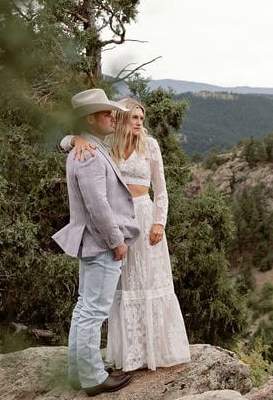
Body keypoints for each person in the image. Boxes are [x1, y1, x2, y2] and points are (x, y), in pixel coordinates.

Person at [60, 97, 191, 372]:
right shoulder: (107, 145)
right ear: (122, 119)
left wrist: (160, 222)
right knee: (125, 285)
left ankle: (156, 350)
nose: (139, 123)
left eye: (142, 119)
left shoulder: (150, 144)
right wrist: (74, 140)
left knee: (151, 281)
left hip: (144, 214)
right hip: (120, 220)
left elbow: (162, 188)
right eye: (135, 118)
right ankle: (131, 353)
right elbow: (68, 142)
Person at [52, 88, 140, 396]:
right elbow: (98, 206)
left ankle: (79, 373)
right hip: (100, 243)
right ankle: (92, 377)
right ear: (91, 119)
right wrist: (117, 241)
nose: (113, 117)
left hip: (91, 242)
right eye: (106, 113)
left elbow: (67, 143)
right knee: (94, 310)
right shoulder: (88, 154)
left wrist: (71, 138)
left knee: (84, 307)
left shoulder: (86, 146)